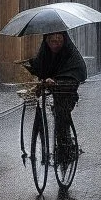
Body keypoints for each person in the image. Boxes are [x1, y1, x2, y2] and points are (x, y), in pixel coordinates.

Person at [23, 31, 88, 162]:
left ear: (64, 40)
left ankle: (66, 147)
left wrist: (58, 81)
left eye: (59, 40)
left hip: (67, 91)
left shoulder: (71, 53)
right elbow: (41, 66)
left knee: (62, 115)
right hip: (52, 90)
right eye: (52, 41)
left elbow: (78, 72)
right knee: (46, 109)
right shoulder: (46, 52)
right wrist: (29, 65)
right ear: (47, 41)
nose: (56, 44)